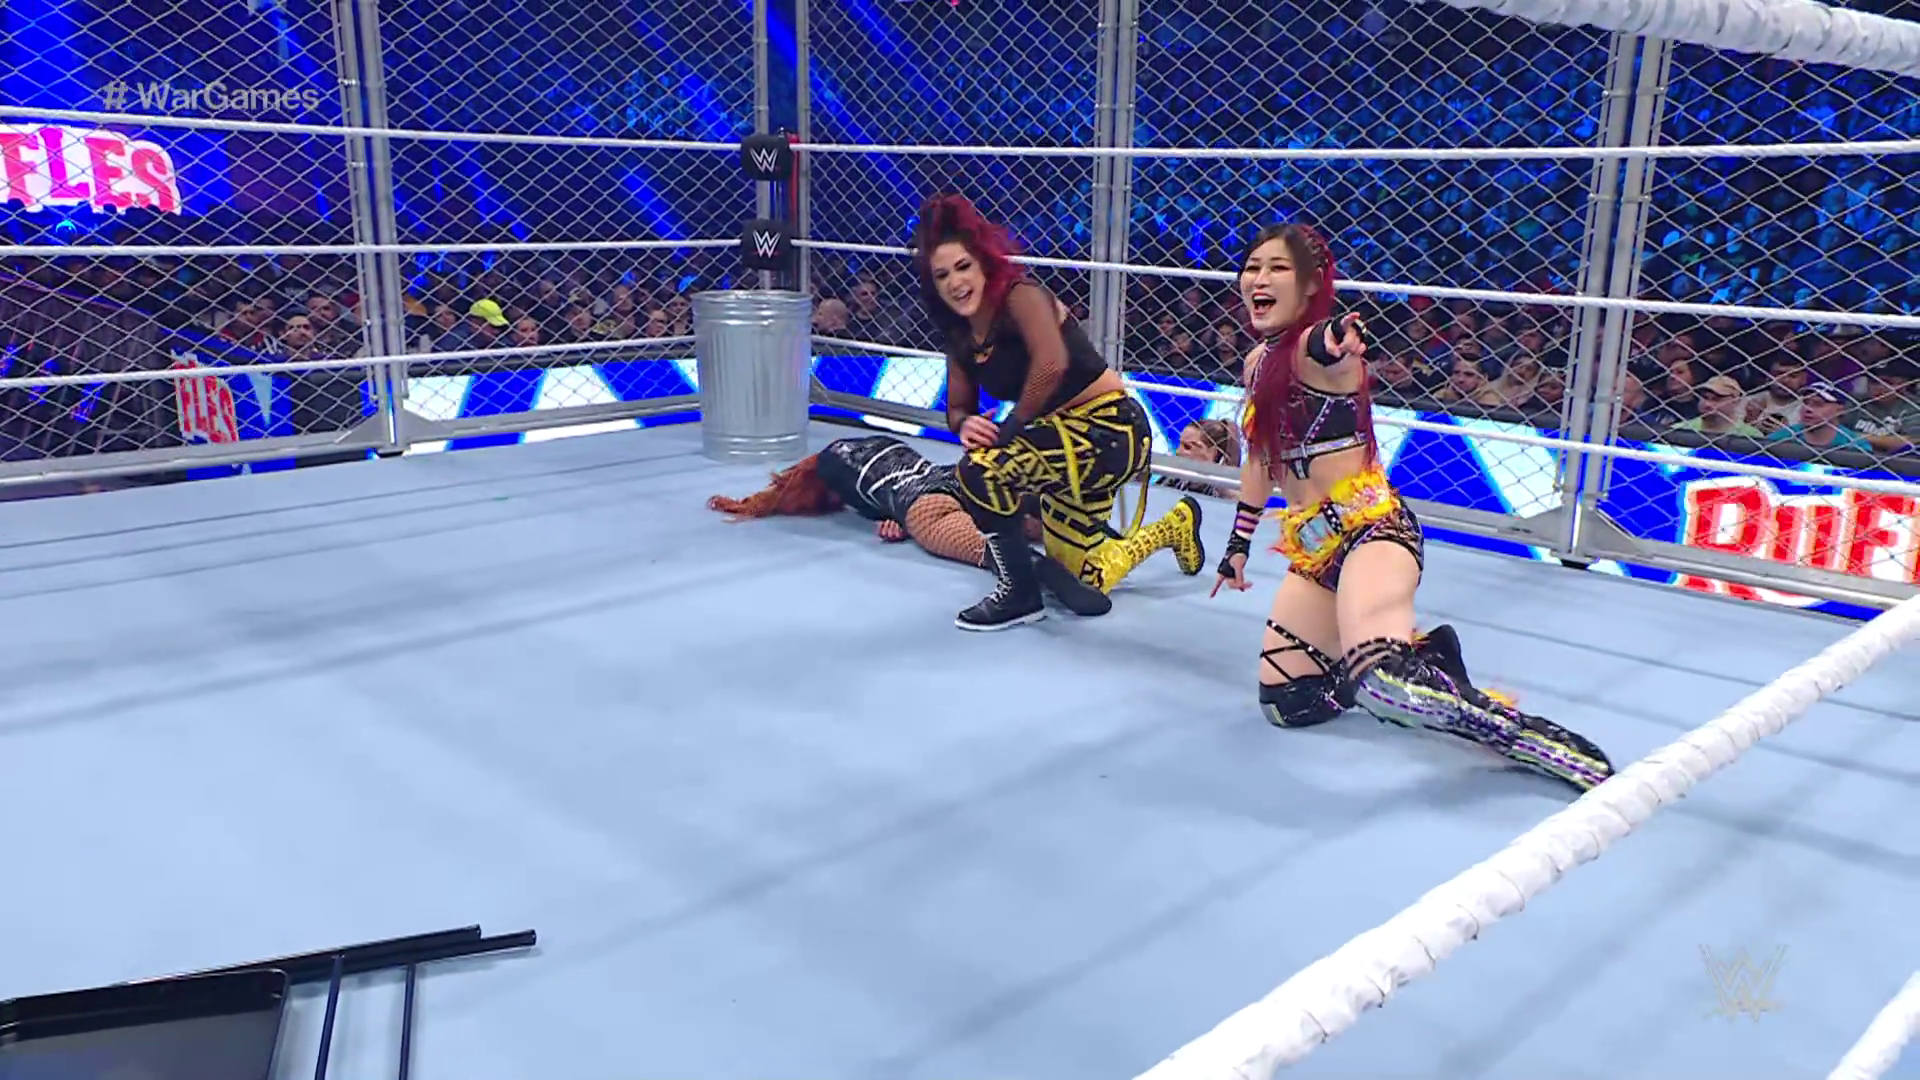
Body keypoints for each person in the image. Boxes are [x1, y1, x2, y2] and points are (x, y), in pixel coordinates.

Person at [1212, 222, 1614, 792]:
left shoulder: (1315, 350)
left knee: (1383, 684)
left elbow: (1328, 340)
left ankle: (1531, 738)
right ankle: (1424, 659)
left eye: (1277, 268)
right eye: (1252, 267)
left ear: (1310, 285)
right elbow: (1261, 457)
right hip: (1313, 550)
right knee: (1290, 701)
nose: (1259, 278)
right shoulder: (1258, 362)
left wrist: (1341, 334)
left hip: (1372, 535)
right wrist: (1238, 543)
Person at [917, 193, 1206, 630]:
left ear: (983, 265)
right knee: (1086, 578)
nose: (956, 282)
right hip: (1057, 443)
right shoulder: (959, 333)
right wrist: (964, 424)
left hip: (1112, 430)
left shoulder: (1022, 296)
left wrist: (1011, 430)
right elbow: (958, 406)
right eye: (942, 275)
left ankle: (1019, 594)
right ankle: (1174, 525)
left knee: (981, 472)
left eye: (963, 267)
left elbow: (1051, 364)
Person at [708, 433, 1114, 616]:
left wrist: (897, 518)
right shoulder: (872, 448)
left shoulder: (833, 465)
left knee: (982, 546)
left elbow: (881, 493)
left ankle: (1047, 574)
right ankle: (1090, 534)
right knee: (1012, 512)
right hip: (955, 475)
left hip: (919, 502)